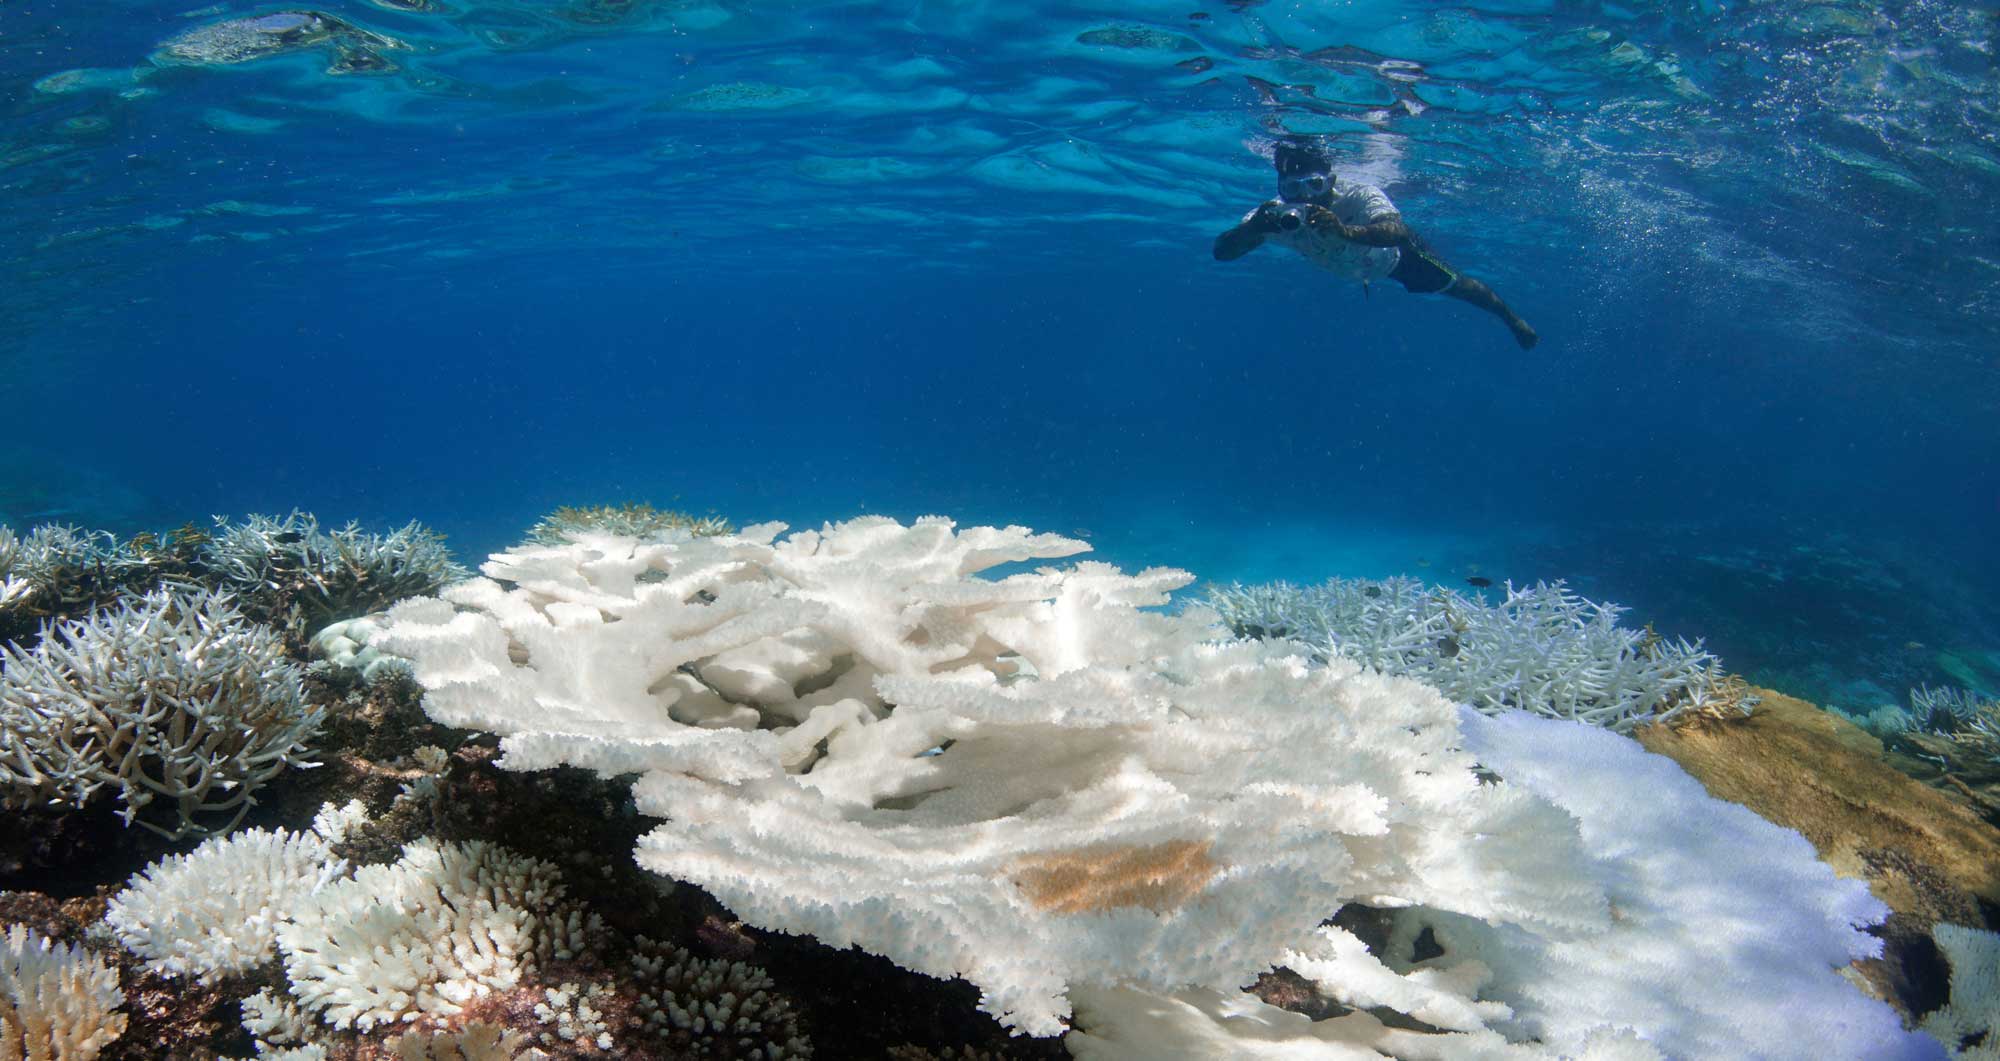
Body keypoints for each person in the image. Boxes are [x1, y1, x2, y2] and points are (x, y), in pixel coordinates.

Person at [1214, 140, 1539, 350]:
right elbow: (1222, 253)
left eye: (1314, 185)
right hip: (1351, 268)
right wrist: (1250, 231)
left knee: (1458, 285)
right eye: (1292, 187)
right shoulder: (1275, 216)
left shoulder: (1359, 194)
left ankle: (1512, 319)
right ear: (1280, 188)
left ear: (1332, 181)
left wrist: (1347, 231)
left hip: (1397, 258)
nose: (1305, 196)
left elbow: (1397, 231)